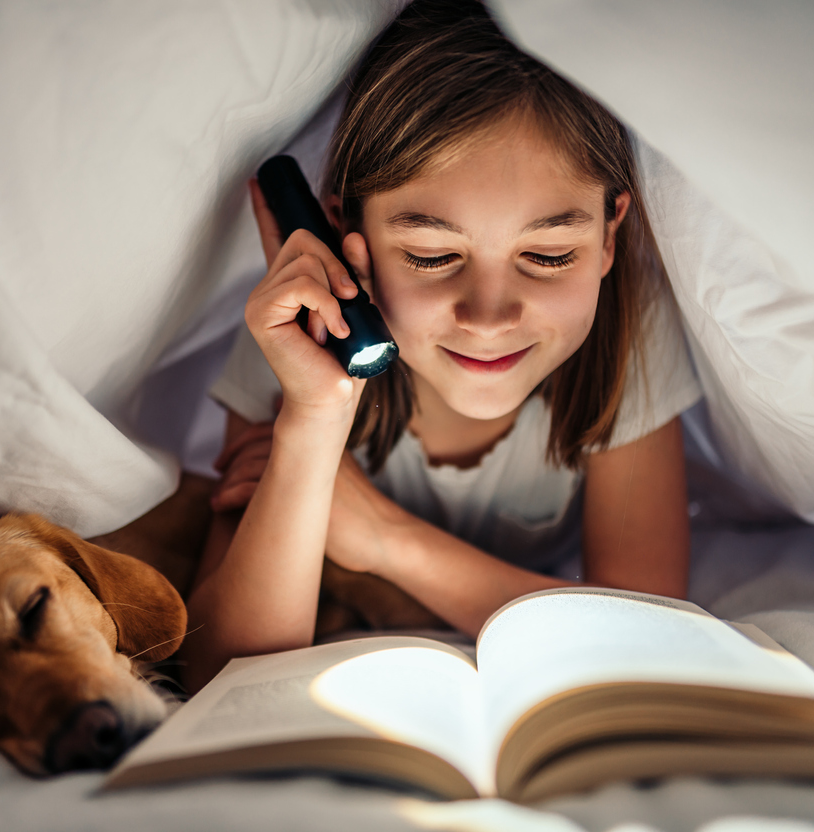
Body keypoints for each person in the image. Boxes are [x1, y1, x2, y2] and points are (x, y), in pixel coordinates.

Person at [181, 0, 701, 692]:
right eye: (431, 255)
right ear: (344, 232)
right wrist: (314, 418)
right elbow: (221, 671)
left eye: (547, 254)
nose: (489, 317)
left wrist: (387, 541)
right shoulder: (305, 336)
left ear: (609, 238)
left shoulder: (624, 333)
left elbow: (653, 629)